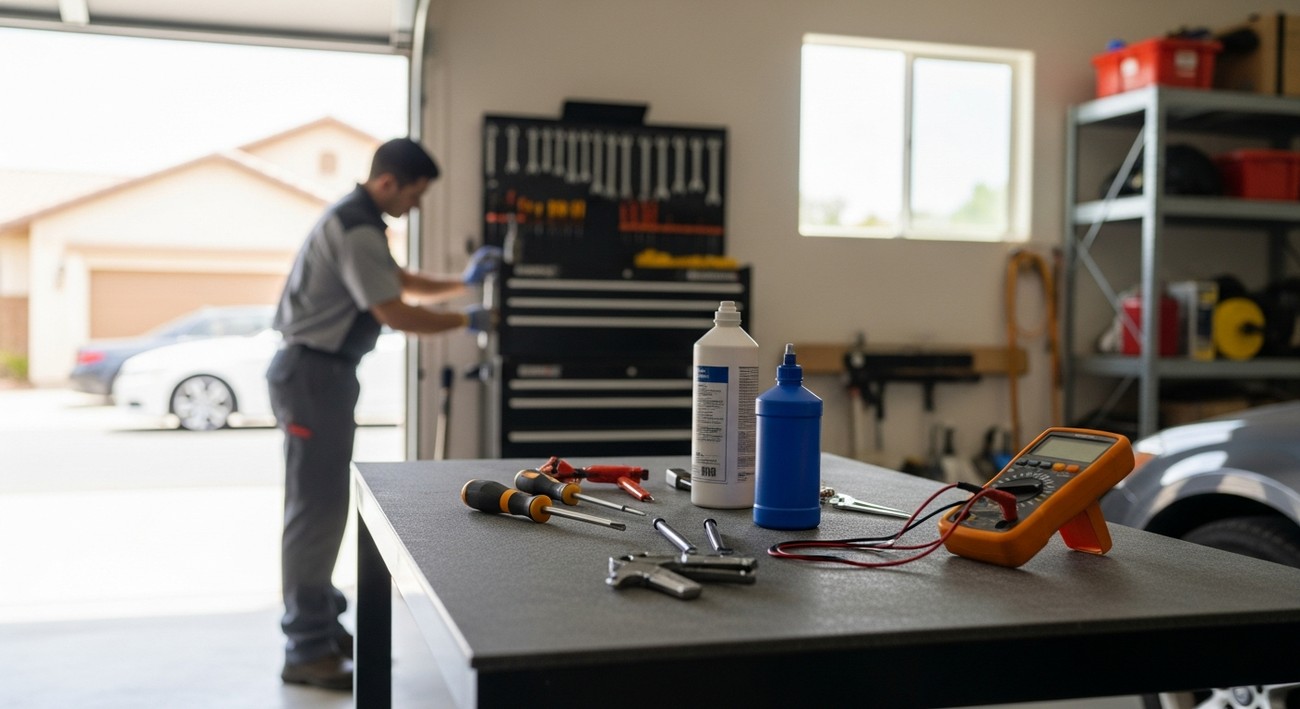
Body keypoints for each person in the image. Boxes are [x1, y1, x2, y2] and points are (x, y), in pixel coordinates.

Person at [267, 137, 500, 690]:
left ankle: (322, 625)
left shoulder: (362, 224)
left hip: (321, 374)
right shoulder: (357, 227)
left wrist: (463, 284)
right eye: (414, 195)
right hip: (314, 375)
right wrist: (467, 320)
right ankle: (306, 648)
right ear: (388, 182)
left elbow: (399, 281)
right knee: (316, 512)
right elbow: (394, 311)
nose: (415, 206)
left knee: (322, 506)